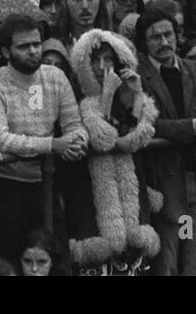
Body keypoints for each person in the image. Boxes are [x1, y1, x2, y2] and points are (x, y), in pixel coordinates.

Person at [0, 13, 87, 267]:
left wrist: (76, 142)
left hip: (46, 181)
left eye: (37, 44)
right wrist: (52, 145)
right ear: (5, 51)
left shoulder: (55, 77)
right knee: (12, 263)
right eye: (24, 46)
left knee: (57, 262)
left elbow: (74, 123)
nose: (33, 51)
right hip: (5, 186)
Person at [134, 1, 196, 275]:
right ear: (144, 42)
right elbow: (148, 124)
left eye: (168, 34)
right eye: (155, 37)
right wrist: (193, 127)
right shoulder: (137, 75)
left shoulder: (193, 70)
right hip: (161, 182)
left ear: (177, 35)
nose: (163, 42)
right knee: (166, 266)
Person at [66, 29, 160, 274]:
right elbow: (104, 138)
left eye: (108, 59)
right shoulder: (81, 102)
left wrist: (137, 94)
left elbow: (134, 138)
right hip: (93, 204)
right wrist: (106, 94)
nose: (101, 66)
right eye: (95, 60)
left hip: (131, 203)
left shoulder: (129, 99)